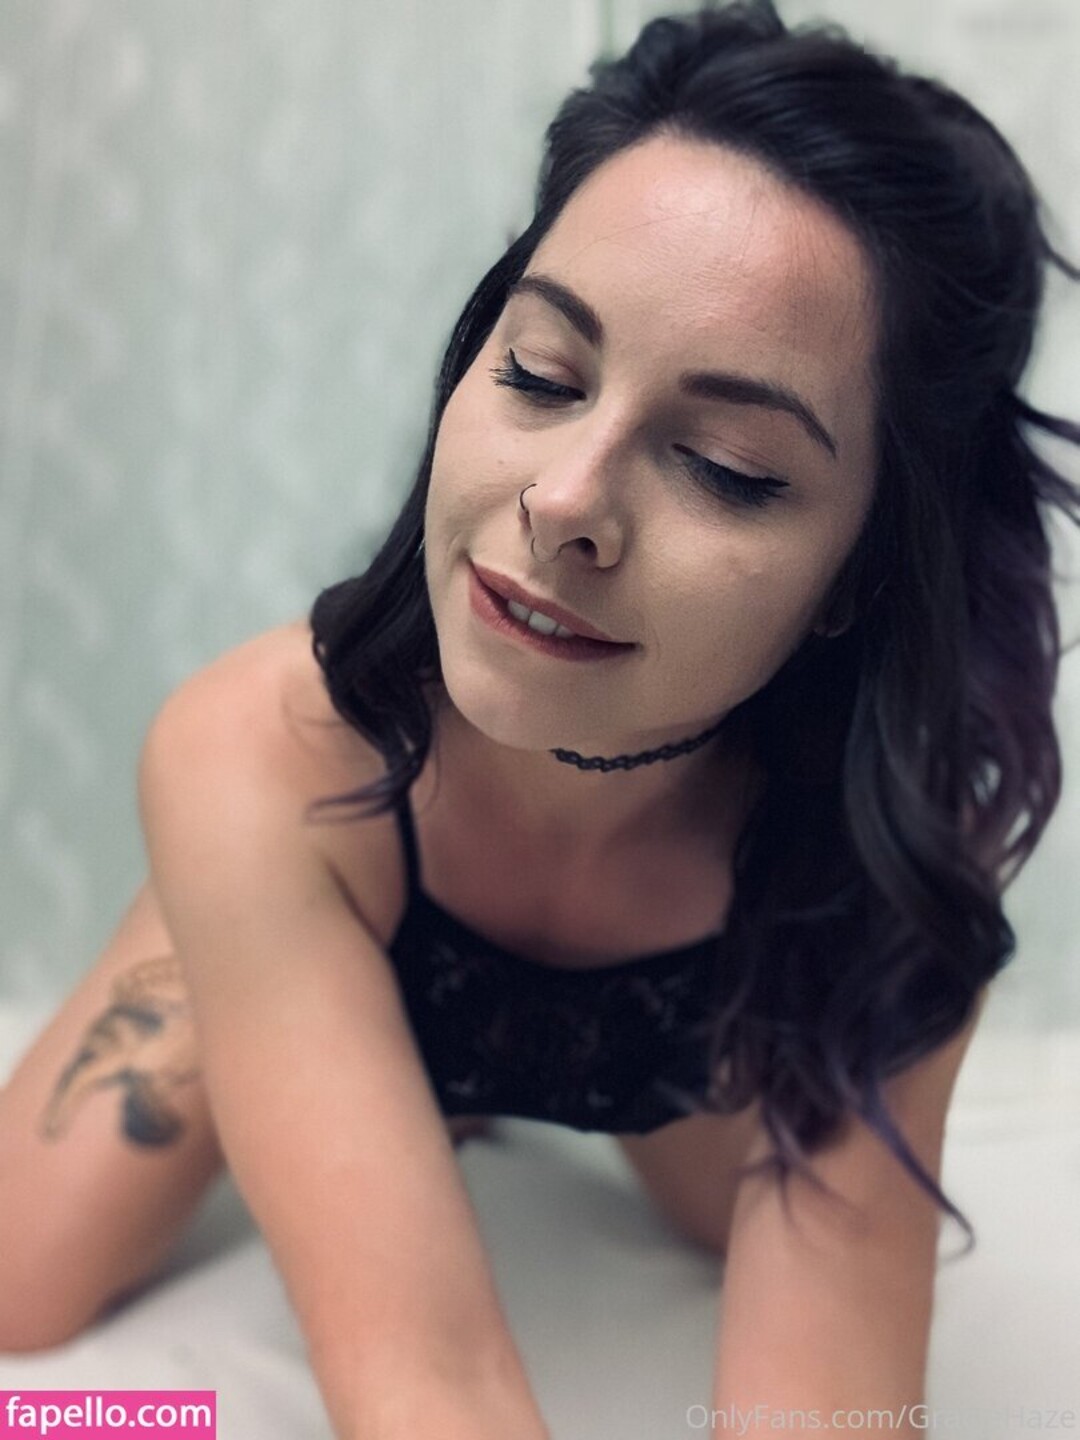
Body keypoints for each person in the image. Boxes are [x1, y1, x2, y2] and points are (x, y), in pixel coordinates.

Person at [1, 3, 1077, 1436]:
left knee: (725, 1234)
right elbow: (426, 1383)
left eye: (725, 465)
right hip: (342, 857)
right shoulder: (262, 751)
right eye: (542, 374)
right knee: (17, 1285)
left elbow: (827, 1412)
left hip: (715, 970)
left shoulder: (887, 866)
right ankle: (270, 946)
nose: (564, 501)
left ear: (861, 574)